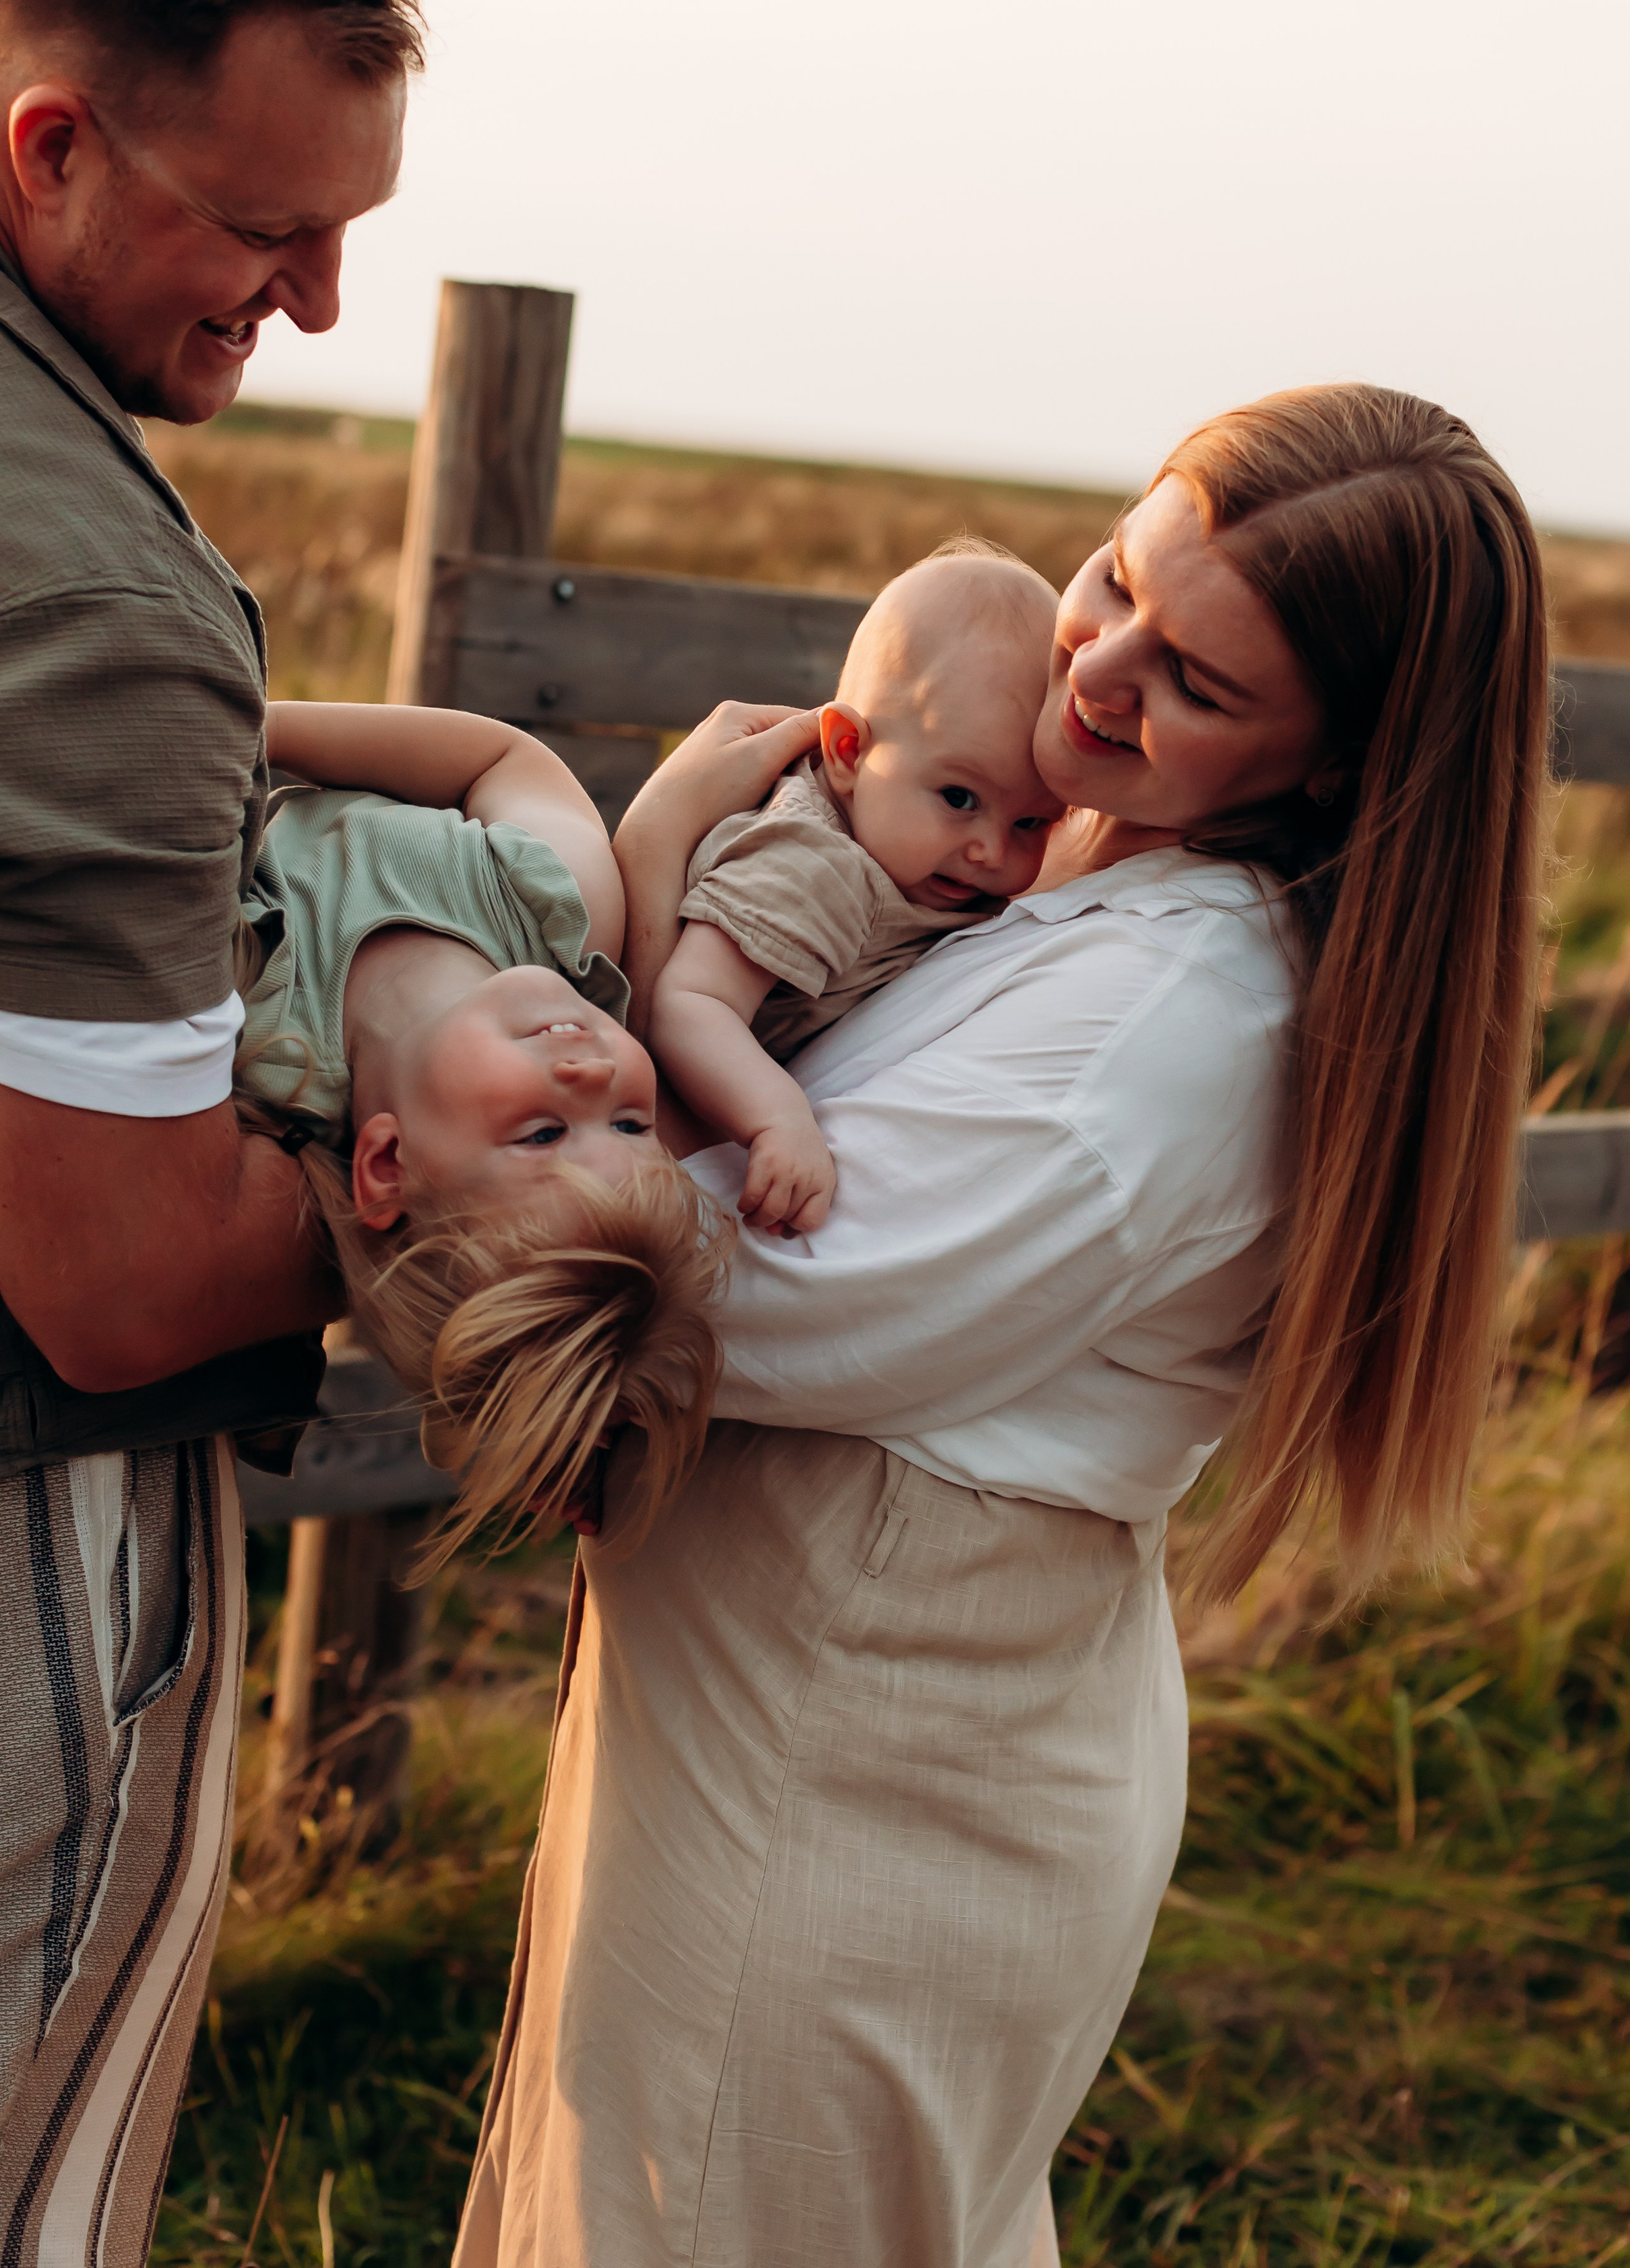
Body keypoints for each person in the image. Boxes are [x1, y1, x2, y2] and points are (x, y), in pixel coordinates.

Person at [455, 384, 1549, 2268]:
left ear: (1341, 772)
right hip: (847, 1719)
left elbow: (665, 1290)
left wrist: (617, 884)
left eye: (1193, 680)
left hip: (861, 1756)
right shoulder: (1084, 877)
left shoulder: (1159, 1034)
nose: (1097, 667)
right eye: (1116, 574)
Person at [0, 0, 417, 2261]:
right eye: (264, 226)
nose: (314, 300)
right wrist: (441, 1164)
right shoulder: (67, 580)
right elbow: (110, 1273)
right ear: (54, 143)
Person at [241, 700, 727, 1558]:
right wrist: (255, 728)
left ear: (386, 1164)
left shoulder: (260, 1035)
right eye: (629, 1120)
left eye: (543, 1134)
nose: (595, 1072)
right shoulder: (557, 912)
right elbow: (498, 758)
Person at [655, 542, 1059, 1233]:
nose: (991, 849)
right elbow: (690, 1003)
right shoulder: (821, 865)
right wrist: (777, 1118)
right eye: (959, 796)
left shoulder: (916, 855)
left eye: (1030, 820)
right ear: (848, 751)